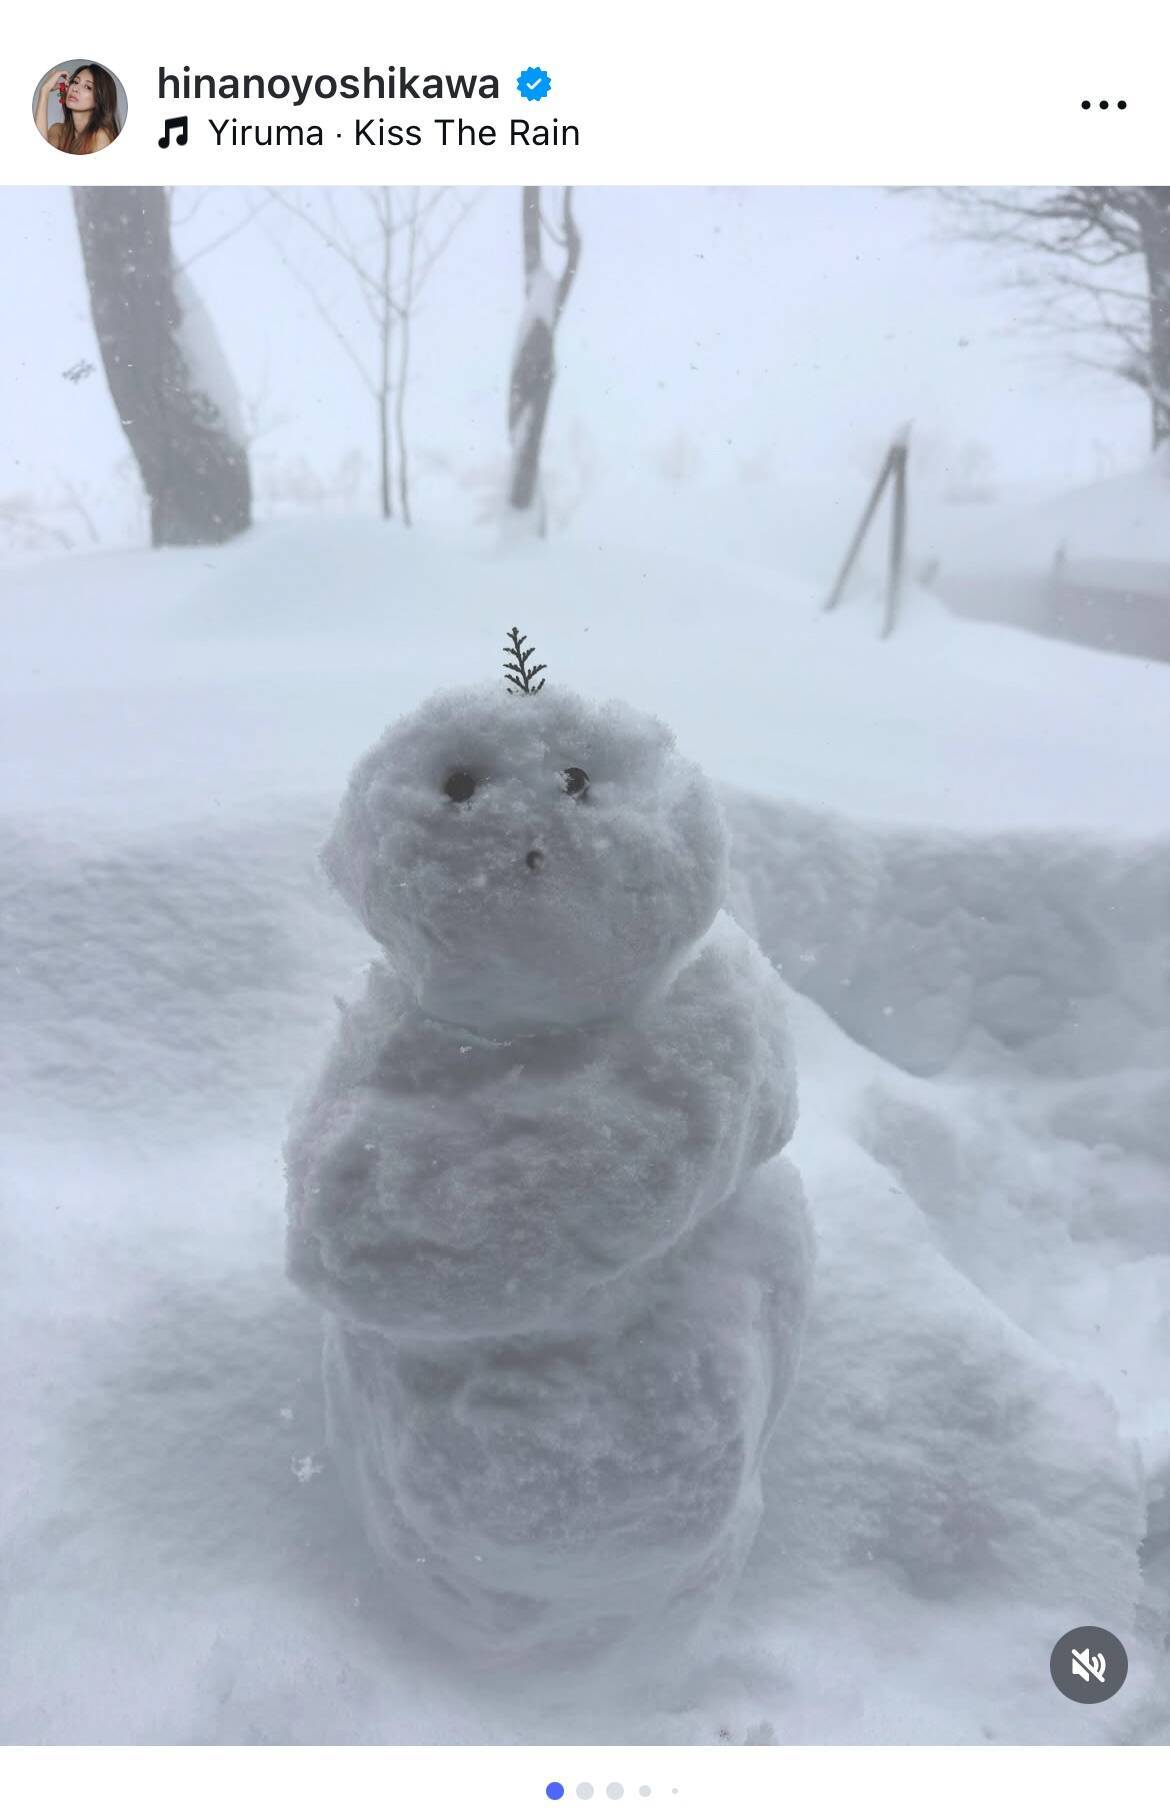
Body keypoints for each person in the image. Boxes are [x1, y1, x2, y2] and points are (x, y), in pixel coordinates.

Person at [35, 64, 121, 154]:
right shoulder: (58, 130)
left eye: (88, 87)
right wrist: (44, 91)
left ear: (100, 98)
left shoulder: (101, 136)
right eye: (75, 82)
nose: (75, 88)